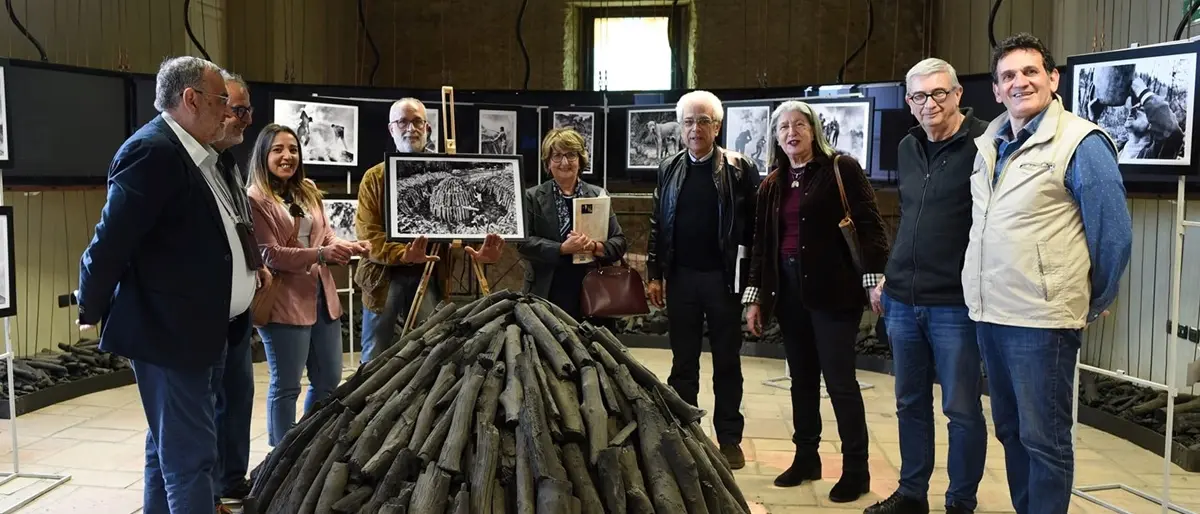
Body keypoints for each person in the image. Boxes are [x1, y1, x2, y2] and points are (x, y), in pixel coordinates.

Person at [76, 56, 254, 513]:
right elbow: (110, 240)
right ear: (191, 99)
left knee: (168, 449)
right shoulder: (152, 151)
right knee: (191, 460)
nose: (228, 111)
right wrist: (90, 305)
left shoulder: (199, 154)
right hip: (170, 333)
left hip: (204, 328)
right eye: (220, 100)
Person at [967, 33, 1132, 513]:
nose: (1019, 82)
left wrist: (1089, 299)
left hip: (1041, 322)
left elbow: (1113, 235)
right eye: (1008, 76)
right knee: (1011, 431)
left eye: (1030, 71)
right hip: (991, 314)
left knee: (1044, 440)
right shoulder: (990, 143)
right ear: (996, 89)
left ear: (1053, 78)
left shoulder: (1080, 142)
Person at [742, 100, 888, 503]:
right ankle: (806, 457)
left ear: (814, 130)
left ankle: (856, 470)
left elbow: (871, 227)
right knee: (802, 380)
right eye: (783, 127)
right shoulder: (772, 183)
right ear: (776, 137)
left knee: (840, 382)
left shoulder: (841, 169)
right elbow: (761, 246)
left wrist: (873, 281)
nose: (791, 133)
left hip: (833, 291)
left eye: (799, 125)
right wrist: (754, 298)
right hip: (788, 292)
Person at [865, 58, 989, 514]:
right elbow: (911, 217)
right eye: (919, 96)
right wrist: (889, 275)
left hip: (955, 303)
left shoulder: (986, 144)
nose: (929, 103)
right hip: (902, 299)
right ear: (909, 101)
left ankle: (960, 502)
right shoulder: (907, 146)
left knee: (961, 408)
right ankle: (912, 494)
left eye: (938, 93)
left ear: (957, 94)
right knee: (909, 403)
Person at [646, 90, 758, 469]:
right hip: (681, 279)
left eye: (703, 121)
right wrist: (654, 273)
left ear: (717, 126)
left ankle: (729, 438)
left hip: (723, 281)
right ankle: (685, 435)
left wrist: (752, 283)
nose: (695, 129)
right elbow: (658, 223)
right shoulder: (668, 167)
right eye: (689, 122)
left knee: (727, 361)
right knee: (683, 362)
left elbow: (755, 229)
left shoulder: (740, 168)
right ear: (681, 127)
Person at [247, 123, 370, 446]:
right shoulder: (255, 198)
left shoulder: (308, 190)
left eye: (293, 149)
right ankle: (279, 457)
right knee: (287, 386)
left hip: (321, 298)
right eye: (278, 150)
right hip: (283, 302)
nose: (287, 156)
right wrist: (320, 254)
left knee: (328, 380)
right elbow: (270, 254)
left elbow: (325, 235)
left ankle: (307, 447)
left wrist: (348, 246)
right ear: (263, 155)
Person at [355, 98, 504, 364]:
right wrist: (403, 254)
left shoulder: (448, 172)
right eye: (402, 122)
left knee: (430, 350)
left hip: (430, 272)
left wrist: (479, 251)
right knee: (375, 355)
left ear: (428, 128)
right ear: (391, 129)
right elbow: (368, 237)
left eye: (417, 122)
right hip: (382, 279)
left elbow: (460, 225)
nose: (410, 128)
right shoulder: (375, 178)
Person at [209, 70, 260, 506]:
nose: (246, 120)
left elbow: (239, 225)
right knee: (204, 407)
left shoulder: (227, 163)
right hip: (204, 316)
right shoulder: (189, 163)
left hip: (237, 314)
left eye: (247, 111)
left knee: (238, 398)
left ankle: (230, 480)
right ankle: (206, 491)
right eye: (239, 111)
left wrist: (254, 267)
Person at [516, 128, 628, 320]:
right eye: (557, 156)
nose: (565, 162)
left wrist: (594, 247)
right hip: (546, 291)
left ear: (580, 159)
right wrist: (561, 249)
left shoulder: (598, 195)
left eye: (571, 155)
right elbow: (523, 244)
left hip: (593, 291)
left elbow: (619, 242)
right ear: (548, 162)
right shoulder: (532, 197)